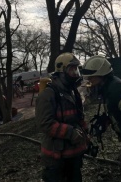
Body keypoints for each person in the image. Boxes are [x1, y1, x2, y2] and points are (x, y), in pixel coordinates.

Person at [35, 52, 89, 182]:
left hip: (74, 154)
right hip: (55, 158)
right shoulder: (48, 95)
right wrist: (70, 132)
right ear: (61, 71)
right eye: (72, 70)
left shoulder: (73, 92)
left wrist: (86, 134)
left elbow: (78, 117)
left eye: (77, 70)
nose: (76, 74)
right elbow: (45, 124)